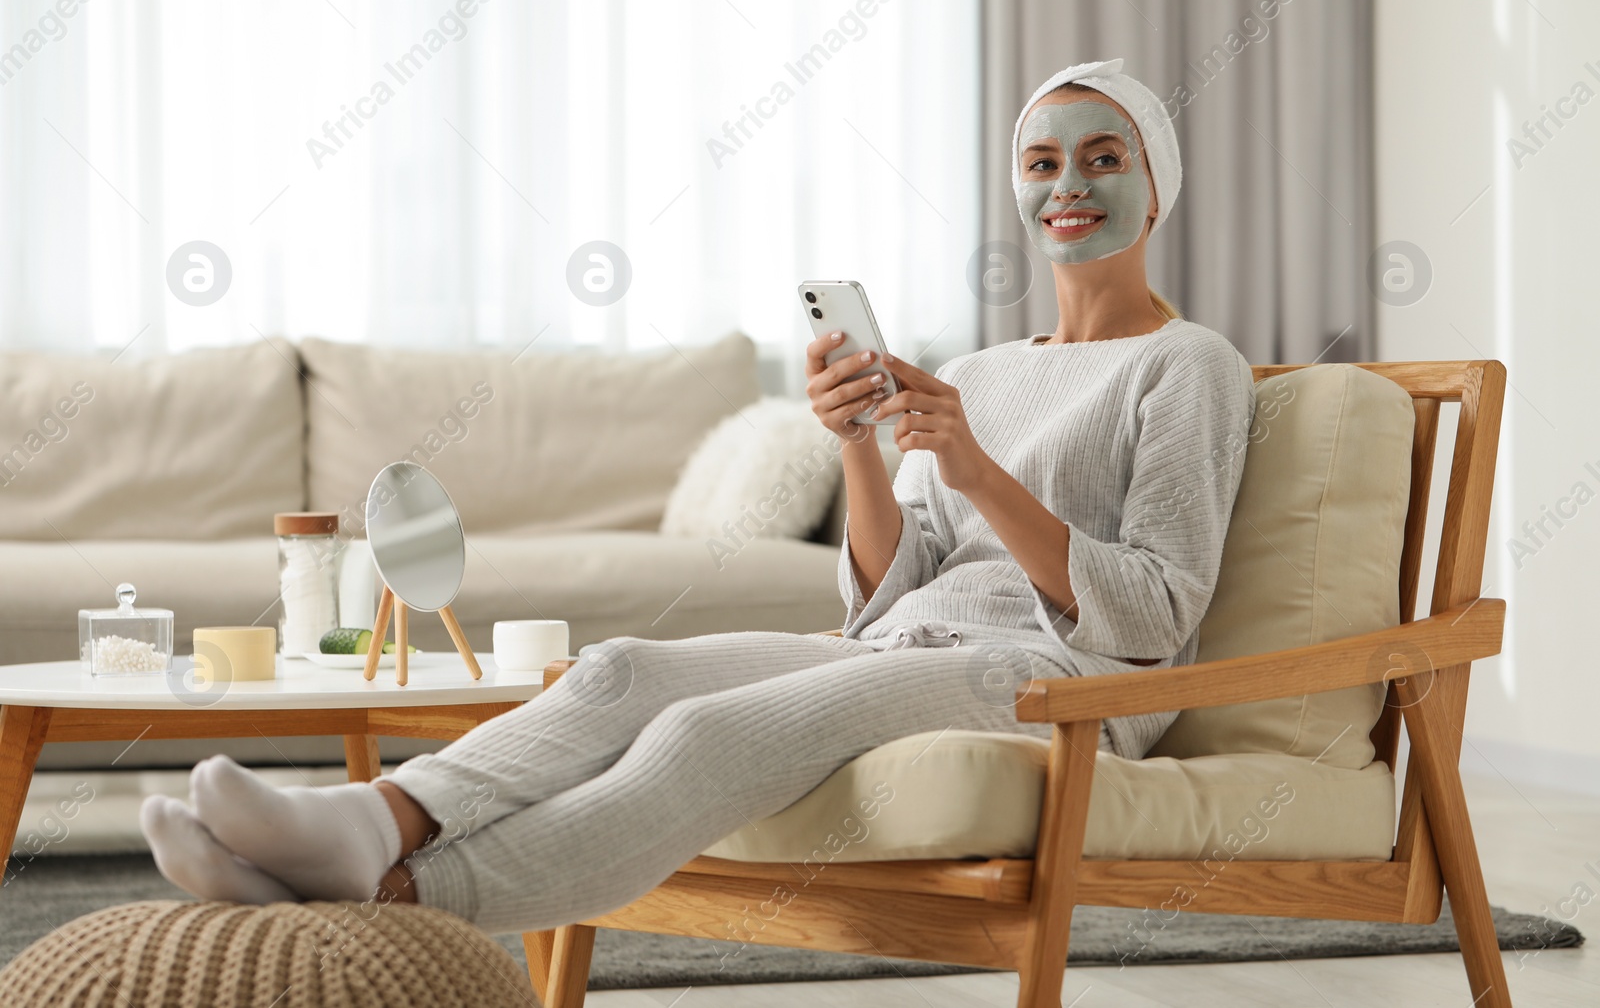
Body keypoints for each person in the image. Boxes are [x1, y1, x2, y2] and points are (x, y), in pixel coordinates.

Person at [140, 58, 1255, 934]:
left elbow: (1155, 616)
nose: (1068, 185)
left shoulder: (1188, 363)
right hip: (906, 643)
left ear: (1153, 187)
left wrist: (976, 472)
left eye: (1102, 157)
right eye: (1043, 160)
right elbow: (887, 592)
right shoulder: (974, 372)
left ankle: (402, 899)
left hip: (1065, 682)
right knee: (623, 669)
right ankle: (363, 821)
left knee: (705, 729)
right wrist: (858, 444)